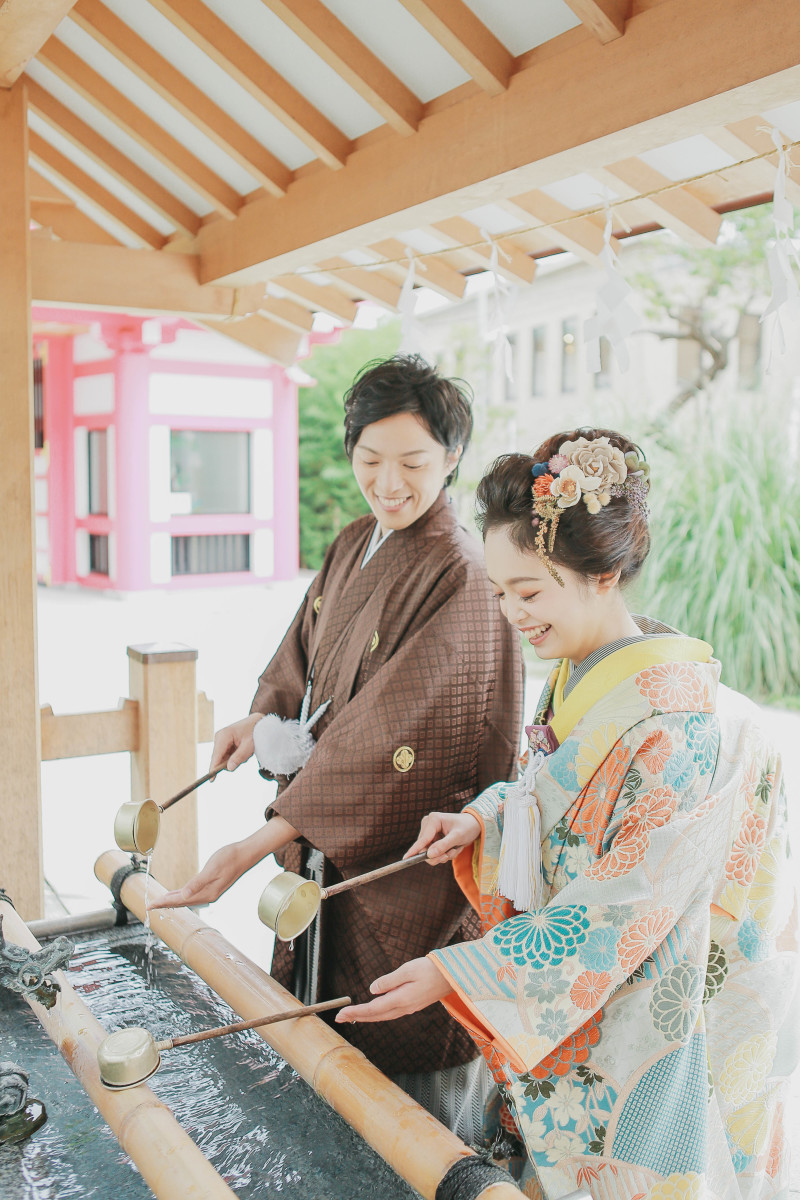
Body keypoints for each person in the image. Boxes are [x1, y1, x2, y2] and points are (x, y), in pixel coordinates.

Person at [337, 430, 799, 1200]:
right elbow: (553, 795)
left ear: (603, 575)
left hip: (655, 1009)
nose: (512, 613)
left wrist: (463, 970)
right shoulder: (581, 676)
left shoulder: (677, 729)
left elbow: (625, 901)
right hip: (597, 988)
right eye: (500, 593)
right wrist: (486, 820)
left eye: (529, 592)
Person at [151, 355, 525, 1139]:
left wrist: (258, 842)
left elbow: (395, 735)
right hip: (330, 850)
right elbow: (306, 657)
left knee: (409, 1094)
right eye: (370, 460)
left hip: (409, 870)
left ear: (452, 456)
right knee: (326, 1075)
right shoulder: (357, 540)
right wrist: (263, 718)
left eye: (413, 463)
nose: (389, 484)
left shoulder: (462, 572)